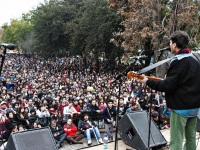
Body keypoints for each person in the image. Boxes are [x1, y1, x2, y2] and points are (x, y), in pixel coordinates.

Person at [140, 31, 200, 150]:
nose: (170, 44)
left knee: (176, 141)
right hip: (194, 107)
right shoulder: (195, 59)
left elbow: (167, 85)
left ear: (174, 45)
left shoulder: (179, 61)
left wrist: (147, 81)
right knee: (191, 138)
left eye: (170, 42)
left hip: (180, 107)